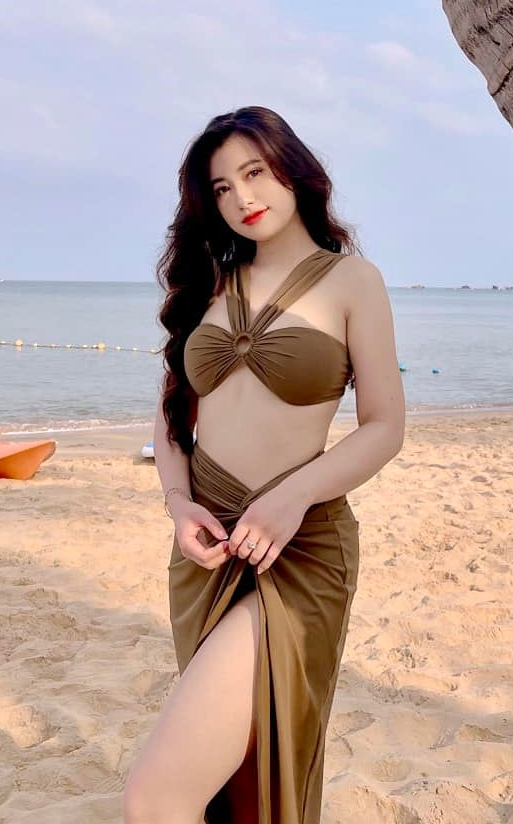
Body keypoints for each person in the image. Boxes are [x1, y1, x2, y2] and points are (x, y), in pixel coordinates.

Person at [124, 106, 405, 824]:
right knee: (234, 782)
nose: (242, 198)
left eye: (254, 172)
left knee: (158, 795)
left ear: (293, 168)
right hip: (207, 552)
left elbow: (384, 427)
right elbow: (171, 413)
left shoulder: (352, 282)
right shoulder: (206, 284)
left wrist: (292, 498)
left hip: (299, 544)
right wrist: (178, 504)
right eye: (220, 188)